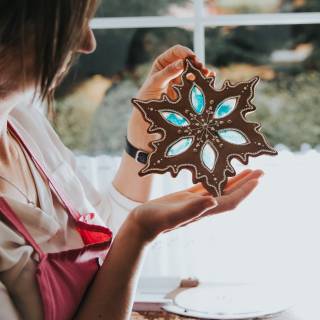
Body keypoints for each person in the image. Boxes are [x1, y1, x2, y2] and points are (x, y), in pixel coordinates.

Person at [0, 1, 263, 319]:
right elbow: (121, 245)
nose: (87, 43)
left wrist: (142, 137)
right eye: (72, 24)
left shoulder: (25, 122)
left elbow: (101, 244)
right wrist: (140, 231)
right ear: (11, 24)